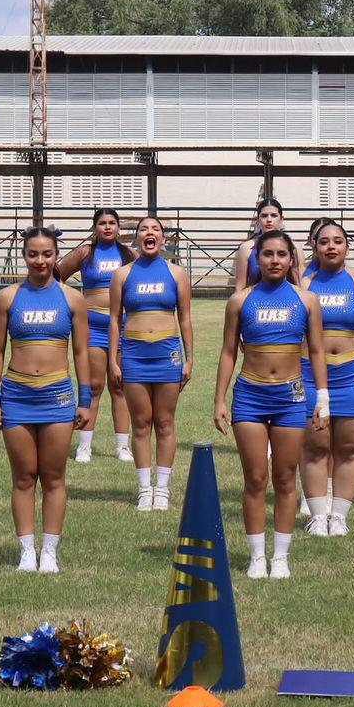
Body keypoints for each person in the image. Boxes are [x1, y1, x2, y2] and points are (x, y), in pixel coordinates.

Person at [214, 229, 327, 580]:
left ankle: (280, 556)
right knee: (255, 478)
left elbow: (317, 351)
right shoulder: (240, 301)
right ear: (257, 259)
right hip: (250, 397)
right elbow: (228, 352)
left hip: (290, 399)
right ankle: (256, 557)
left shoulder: (307, 300)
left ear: (291, 259)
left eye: (281, 254)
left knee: (285, 478)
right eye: (268, 254)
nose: (274, 260)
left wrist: (322, 398)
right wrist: (219, 399)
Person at [0, 227, 95, 573]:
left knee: (53, 476)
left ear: (56, 255)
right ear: (24, 256)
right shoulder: (7, 298)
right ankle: (26, 551)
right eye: (33, 254)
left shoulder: (72, 299)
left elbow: (81, 352)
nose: (40, 260)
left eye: (47, 254)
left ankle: (49, 551)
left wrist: (85, 399)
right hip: (16, 395)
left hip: (57, 395)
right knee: (23, 476)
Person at [299, 220, 354, 537]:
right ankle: (317, 515)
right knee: (315, 447)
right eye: (324, 241)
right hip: (311, 376)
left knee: (349, 448)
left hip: (353, 376)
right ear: (315, 246)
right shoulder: (302, 285)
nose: (331, 246)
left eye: (338, 241)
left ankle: (338, 516)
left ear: (347, 247)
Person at [108, 216, 193, 511]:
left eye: (155, 229)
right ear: (137, 237)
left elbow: (185, 317)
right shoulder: (122, 275)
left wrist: (189, 358)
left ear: (163, 239)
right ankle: (145, 489)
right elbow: (114, 320)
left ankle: (163, 488)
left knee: (165, 423)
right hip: (134, 356)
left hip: (167, 355)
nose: (150, 232)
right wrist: (113, 360)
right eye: (144, 229)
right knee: (141, 424)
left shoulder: (177, 273)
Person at [56, 208, 133, 464]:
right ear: (94, 228)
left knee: (119, 386)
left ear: (119, 227)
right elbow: (57, 275)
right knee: (95, 386)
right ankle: (84, 446)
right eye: (102, 223)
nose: (107, 227)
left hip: (122, 328)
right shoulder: (85, 253)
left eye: (112, 223)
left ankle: (122, 446)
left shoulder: (128, 254)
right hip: (93, 330)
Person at [233, 197, 292, 290]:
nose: (269, 220)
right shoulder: (246, 248)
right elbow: (240, 286)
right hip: (256, 297)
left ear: (281, 219)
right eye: (264, 216)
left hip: (287, 298)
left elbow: (299, 284)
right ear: (258, 219)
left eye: (273, 215)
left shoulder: (294, 247)